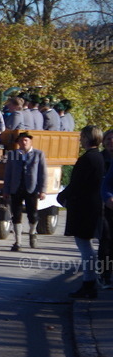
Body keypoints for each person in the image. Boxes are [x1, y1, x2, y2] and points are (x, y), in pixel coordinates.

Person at [58, 126, 105, 299]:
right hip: (92, 205)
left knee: (85, 247)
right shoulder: (98, 157)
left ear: (87, 138)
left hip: (84, 207)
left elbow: (77, 184)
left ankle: (89, 283)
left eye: (82, 137)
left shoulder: (87, 159)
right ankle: (89, 282)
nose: (80, 140)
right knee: (87, 247)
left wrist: (63, 196)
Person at [2, 131, 47, 250]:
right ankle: (18, 242)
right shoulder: (12, 155)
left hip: (31, 188)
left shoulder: (38, 154)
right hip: (16, 188)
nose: (23, 142)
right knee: (16, 215)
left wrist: (43, 190)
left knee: (32, 215)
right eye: (21, 140)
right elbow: (8, 174)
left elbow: (43, 174)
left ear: (30, 141)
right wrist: (6, 190)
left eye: (26, 140)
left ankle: (32, 233)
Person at [101, 131, 113, 288]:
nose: (111, 142)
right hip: (105, 207)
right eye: (108, 139)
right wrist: (108, 197)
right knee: (106, 242)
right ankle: (105, 275)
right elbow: (106, 184)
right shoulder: (100, 158)